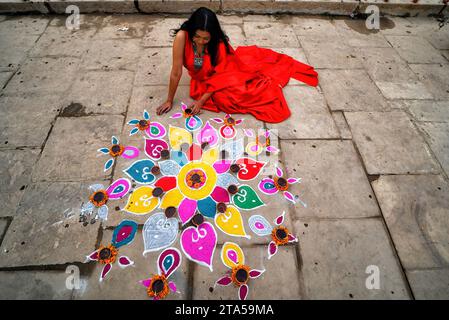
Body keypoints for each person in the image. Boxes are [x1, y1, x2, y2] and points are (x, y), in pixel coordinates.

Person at [156, 7, 318, 123]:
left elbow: (221, 76)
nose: (200, 41)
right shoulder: (182, 37)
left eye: (206, 39)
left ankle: (270, 84)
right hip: (202, 78)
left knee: (237, 96)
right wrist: (169, 100)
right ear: (191, 31)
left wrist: (201, 101)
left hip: (223, 73)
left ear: (213, 35)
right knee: (224, 99)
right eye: (197, 37)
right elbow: (176, 71)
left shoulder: (218, 44)